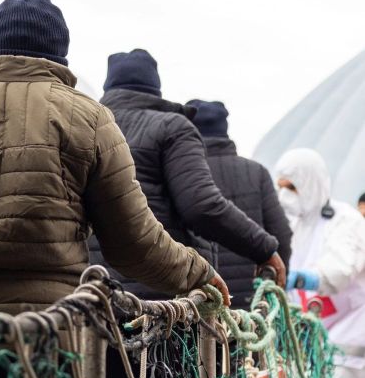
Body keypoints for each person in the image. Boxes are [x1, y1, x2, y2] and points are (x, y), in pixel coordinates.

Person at [0, 0, 230, 316]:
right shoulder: (89, 119)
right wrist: (197, 273)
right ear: (59, 54)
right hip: (51, 334)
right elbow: (132, 244)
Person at [88, 50, 286, 300]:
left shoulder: (85, 126)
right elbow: (201, 206)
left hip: (94, 296)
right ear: (155, 88)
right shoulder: (172, 127)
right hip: (165, 301)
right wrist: (264, 249)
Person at [275, 148, 365, 378]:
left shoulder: (345, 219)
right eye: (279, 186)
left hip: (349, 342)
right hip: (315, 340)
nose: (284, 194)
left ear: (309, 183)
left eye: (291, 187)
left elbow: (342, 268)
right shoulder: (293, 224)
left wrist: (304, 279)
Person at [189, 99, 293, 309]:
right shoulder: (257, 173)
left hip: (203, 302)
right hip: (253, 304)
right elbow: (281, 234)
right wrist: (276, 280)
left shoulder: (184, 175)